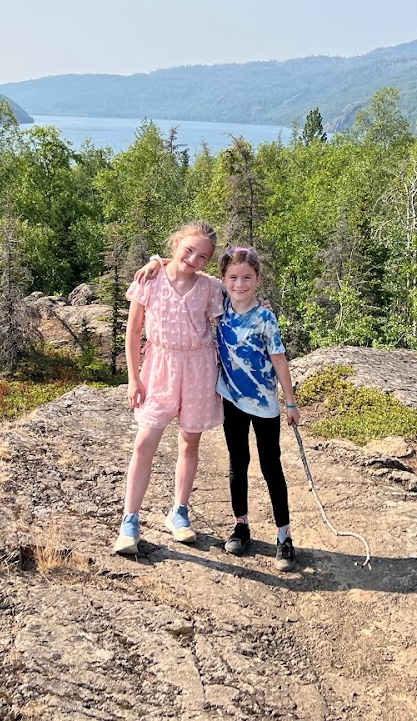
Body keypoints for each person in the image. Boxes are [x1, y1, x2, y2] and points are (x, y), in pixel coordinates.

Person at [114, 220, 225, 556]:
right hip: (159, 366)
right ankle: (130, 521)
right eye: (188, 250)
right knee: (144, 442)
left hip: (199, 367)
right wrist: (134, 378)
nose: (193, 259)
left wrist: (259, 308)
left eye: (203, 256)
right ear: (175, 244)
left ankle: (179, 512)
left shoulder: (209, 287)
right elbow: (134, 331)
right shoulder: (149, 280)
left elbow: (237, 294)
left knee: (190, 441)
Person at [214, 246, 299, 571]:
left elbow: (279, 360)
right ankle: (241, 526)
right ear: (224, 279)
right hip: (232, 401)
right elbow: (187, 269)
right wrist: (158, 262)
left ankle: (284, 536)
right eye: (233, 277)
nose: (240, 284)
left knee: (271, 467)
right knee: (238, 462)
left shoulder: (265, 317)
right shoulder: (220, 305)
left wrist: (290, 402)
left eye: (247, 277)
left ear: (258, 279)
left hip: (265, 405)